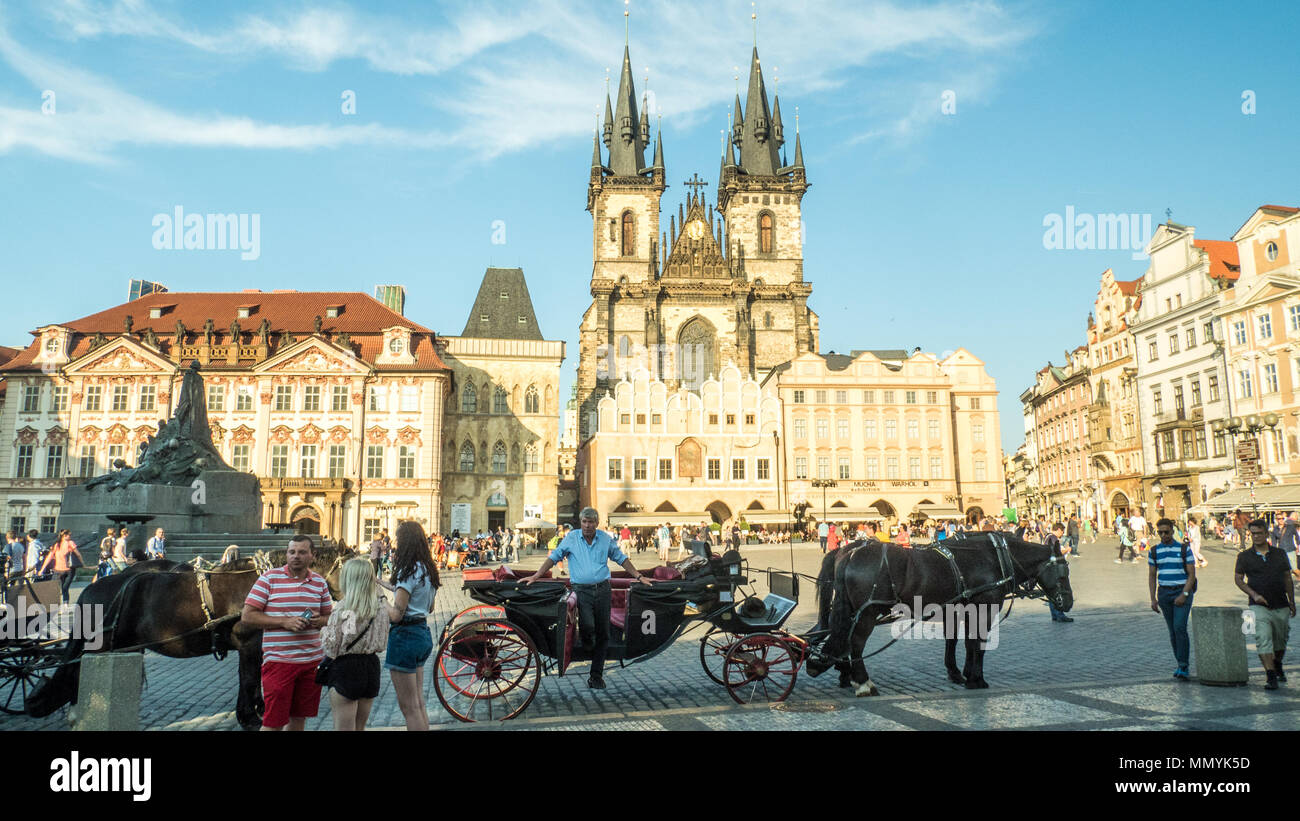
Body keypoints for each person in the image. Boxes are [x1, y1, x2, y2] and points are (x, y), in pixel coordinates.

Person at [522, 507, 652, 689]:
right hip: (581, 590)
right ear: (580, 522)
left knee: (604, 633)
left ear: (597, 524)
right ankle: (587, 643)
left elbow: (621, 559)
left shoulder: (605, 539)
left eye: (591, 522)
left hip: (603, 590)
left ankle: (596, 676)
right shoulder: (572, 538)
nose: (588, 525)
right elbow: (554, 557)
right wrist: (536, 576)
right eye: (584, 522)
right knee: (588, 626)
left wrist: (638, 576)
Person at [240, 535, 334, 731]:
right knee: (273, 722)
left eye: (301, 552)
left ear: (312, 555)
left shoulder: (319, 583)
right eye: (292, 552)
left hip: (311, 663)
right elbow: (247, 616)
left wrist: (319, 620)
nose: (296, 556)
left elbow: (329, 618)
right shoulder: (269, 579)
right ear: (286, 554)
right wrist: (284, 622)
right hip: (279, 662)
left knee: (299, 720)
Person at [377, 521, 439, 731]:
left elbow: (396, 615)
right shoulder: (427, 569)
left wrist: (381, 599)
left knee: (408, 707)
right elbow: (429, 607)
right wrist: (383, 583)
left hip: (405, 636)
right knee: (418, 702)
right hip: (422, 634)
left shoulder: (407, 570)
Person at [320, 558, 394, 730]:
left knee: (343, 727)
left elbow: (332, 646)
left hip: (346, 668)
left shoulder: (345, 608)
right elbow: (382, 641)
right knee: (359, 727)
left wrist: (323, 631)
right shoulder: (381, 608)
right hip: (371, 666)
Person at [1235, 519, 1296, 691]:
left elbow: (1287, 578)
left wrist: (1291, 601)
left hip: (1280, 603)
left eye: (1259, 533)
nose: (1256, 536)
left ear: (1266, 534)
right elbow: (1238, 579)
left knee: (1281, 640)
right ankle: (1270, 676)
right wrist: (1253, 594)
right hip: (1258, 605)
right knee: (1262, 639)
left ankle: (1277, 663)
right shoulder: (1244, 556)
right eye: (1253, 533)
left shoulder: (1279, 554)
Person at [1148, 518, 1197, 681]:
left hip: (1181, 590)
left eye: (1166, 532)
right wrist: (1153, 598)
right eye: (1160, 532)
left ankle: (1183, 664)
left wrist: (1184, 594)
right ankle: (1180, 663)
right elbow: (1152, 575)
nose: (1163, 535)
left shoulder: (1184, 549)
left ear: (1172, 530)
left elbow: (1192, 574)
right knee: (1172, 631)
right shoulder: (1154, 551)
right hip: (1164, 593)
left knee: (1179, 627)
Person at [38, 530, 85, 605]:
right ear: (64, 536)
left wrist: (42, 569)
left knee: (54, 588)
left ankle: (53, 604)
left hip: (58, 570)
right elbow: (78, 554)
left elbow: (49, 558)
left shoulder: (56, 545)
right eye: (69, 535)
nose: (70, 536)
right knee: (65, 588)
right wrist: (83, 565)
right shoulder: (70, 543)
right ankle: (65, 604)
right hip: (70, 570)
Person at [1045, 524, 1073, 622]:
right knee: (1058, 591)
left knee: (1051, 592)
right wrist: (1066, 550)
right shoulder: (1053, 539)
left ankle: (1054, 615)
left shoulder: (1047, 537)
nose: (1062, 534)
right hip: (1055, 568)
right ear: (1058, 529)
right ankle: (1059, 614)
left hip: (1049, 567)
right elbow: (1056, 553)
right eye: (1062, 531)